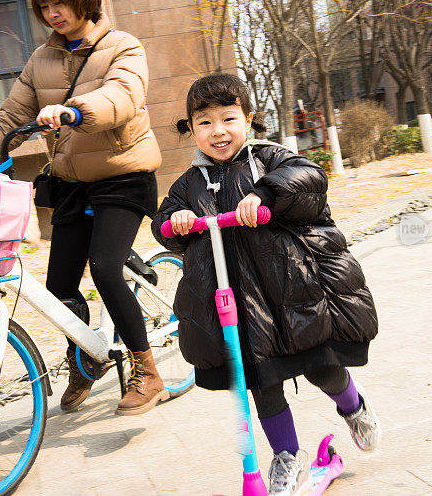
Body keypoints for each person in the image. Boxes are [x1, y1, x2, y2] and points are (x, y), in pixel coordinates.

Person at [0, 0, 167, 416]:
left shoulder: (124, 46)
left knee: (104, 269)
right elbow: (8, 119)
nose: (52, 13)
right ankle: (85, 357)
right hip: (71, 184)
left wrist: (73, 111)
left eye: (59, 2)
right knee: (59, 285)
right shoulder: (40, 60)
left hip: (123, 176)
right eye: (43, 6)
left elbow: (122, 97)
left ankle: (149, 371)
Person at [151, 73, 381, 496]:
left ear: (248, 118)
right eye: (204, 122)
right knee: (263, 384)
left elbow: (308, 179)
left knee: (324, 370)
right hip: (241, 308)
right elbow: (164, 225)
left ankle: (354, 406)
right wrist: (176, 223)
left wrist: (265, 195)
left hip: (292, 296)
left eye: (228, 118)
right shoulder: (189, 184)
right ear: (191, 129)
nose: (217, 131)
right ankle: (287, 457)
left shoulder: (270, 160)